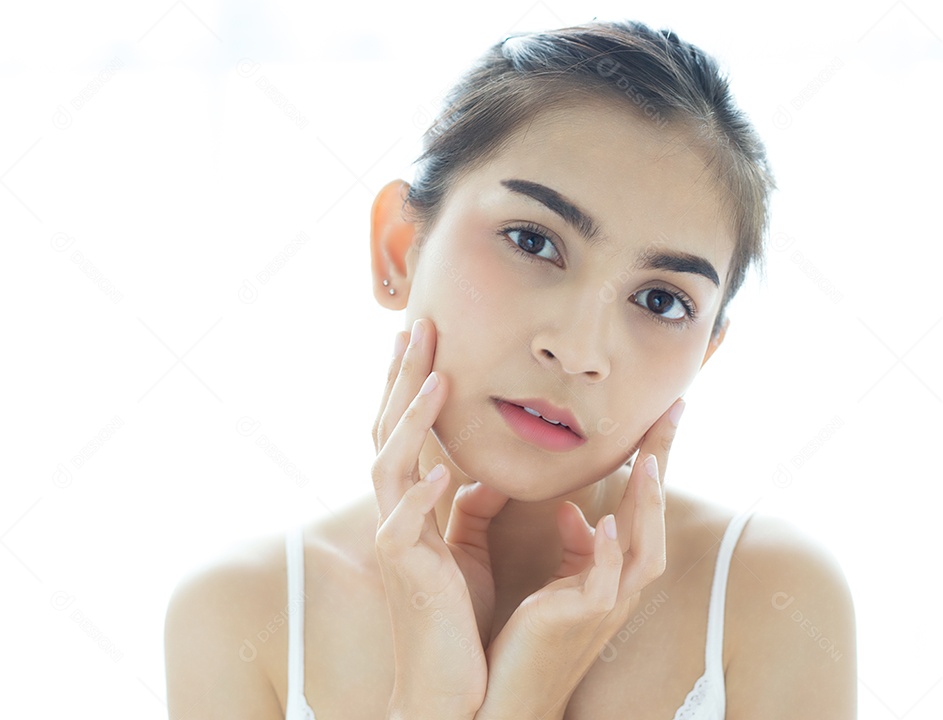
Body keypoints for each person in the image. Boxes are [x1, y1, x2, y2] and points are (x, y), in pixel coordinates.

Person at [164, 19, 856, 719]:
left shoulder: (769, 599)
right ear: (399, 248)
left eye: (661, 300)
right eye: (533, 241)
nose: (580, 351)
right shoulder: (239, 615)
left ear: (706, 353)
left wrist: (527, 698)